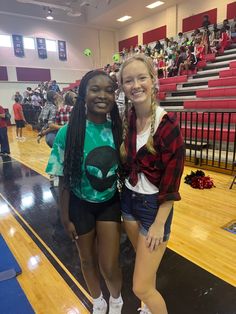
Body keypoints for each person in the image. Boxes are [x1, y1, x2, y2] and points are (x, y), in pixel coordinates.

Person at [46, 70, 123, 314]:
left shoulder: (118, 130)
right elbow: (63, 179)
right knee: (87, 259)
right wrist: (65, 217)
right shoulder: (67, 133)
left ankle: (116, 300)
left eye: (109, 90)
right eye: (95, 89)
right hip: (80, 205)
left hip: (109, 202)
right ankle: (98, 300)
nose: (103, 95)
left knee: (109, 264)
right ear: (82, 95)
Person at [119, 54, 185, 314]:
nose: (135, 85)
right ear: (122, 86)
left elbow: (172, 184)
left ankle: (148, 303)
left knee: (140, 287)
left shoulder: (168, 126)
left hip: (153, 209)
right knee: (146, 270)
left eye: (141, 78)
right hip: (129, 203)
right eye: (128, 80)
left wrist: (159, 222)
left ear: (153, 80)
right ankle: (148, 308)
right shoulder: (129, 118)